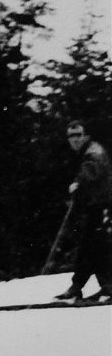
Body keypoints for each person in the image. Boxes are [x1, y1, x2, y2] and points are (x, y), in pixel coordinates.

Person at [54, 121, 112, 302]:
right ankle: (80, 286)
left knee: (94, 246)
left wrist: (77, 183)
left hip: (102, 205)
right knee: (89, 246)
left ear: (85, 135)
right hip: (93, 205)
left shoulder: (94, 151)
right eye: (72, 136)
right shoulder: (84, 152)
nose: (75, 139)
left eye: (78, 135)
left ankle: (105, 286)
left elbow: (91, 170)